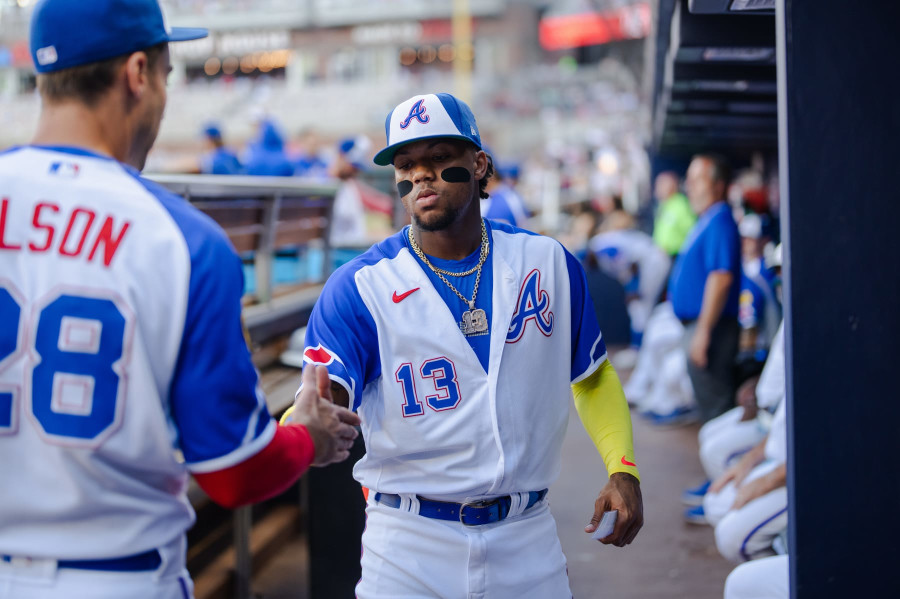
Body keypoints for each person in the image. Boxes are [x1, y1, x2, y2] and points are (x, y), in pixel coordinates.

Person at [0, 2, 359, 597]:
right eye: (167, 76)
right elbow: (233, 474)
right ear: (138, 73)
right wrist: (308, 438)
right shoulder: (180, 238)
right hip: (117, 576)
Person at [294, 93, 644, 598]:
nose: (420, 176)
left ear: (478, 164)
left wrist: (623, 468)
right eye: (407, 164)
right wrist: (300, 428)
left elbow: (591, 376)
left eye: (439, 159)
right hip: (408, 544)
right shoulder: (360, 286)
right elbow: (322, 401)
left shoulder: (546, 264)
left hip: (527, 537)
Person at [668, 154, 742, 423]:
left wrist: (704, 331)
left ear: (718, 185)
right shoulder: (706, 218)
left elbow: (720, 279)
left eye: (697, 179)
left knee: (717, 412)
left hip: (714, 326)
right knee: (709, 408)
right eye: (688, 180)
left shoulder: (720, 218)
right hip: (702, 324)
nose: (689, 186)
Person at [652, 171, 696, 257]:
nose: (657, 188)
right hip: (661, 257)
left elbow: (692, 231)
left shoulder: (681, 205)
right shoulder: (664, 205)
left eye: (661, 184)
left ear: (672, 186)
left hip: (676, 256)